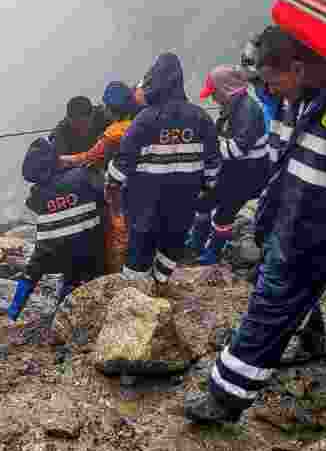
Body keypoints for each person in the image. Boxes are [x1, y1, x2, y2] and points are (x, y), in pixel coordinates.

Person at [184, 26, 326, 425]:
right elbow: (281, 163)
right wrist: (266, 219)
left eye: (273, 81)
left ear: (298, 69)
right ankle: (312, 340)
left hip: (316, 230)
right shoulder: (293, 101)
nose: (269, 90)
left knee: (268, 306)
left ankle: (225, 397)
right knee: (292, 293)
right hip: (285, 219)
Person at [106, 51, 220, 284]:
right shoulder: (201, 118)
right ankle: (160, 284)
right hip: (183, 205)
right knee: (171, 249)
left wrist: (112, 187)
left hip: (144, 206)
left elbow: (121, 165)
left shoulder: (144, 120)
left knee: (139, 256)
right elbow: (213, 166)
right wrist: (205, 189)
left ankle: (137, 293)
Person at [6, 136, 106, 321]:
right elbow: (103, 194)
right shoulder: (84, 175)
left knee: (31, 273)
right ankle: (72, 307)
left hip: (51, 254)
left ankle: (12, 314)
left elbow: (32, 206)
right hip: (90, 250)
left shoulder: (37, 194)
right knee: (78, 272)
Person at [186, 65, 270, 265]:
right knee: (203, 202)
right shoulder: (231, 106)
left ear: (225, 89)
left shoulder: (248, 110)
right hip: (232, 169)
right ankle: (196, 243)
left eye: (213, 93)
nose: (212, 99)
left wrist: (206, 148)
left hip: (248, 174)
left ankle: (212, 253)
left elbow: (238, 149)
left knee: (224, 214)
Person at [60, 81, 141, 274]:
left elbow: (90, 157)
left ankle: (119, 272)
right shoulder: (143, 122)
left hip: (121, 186)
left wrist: (60, 160)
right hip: (145, 182)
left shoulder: (114, 132)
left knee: (118, 230)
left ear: (112, 109)